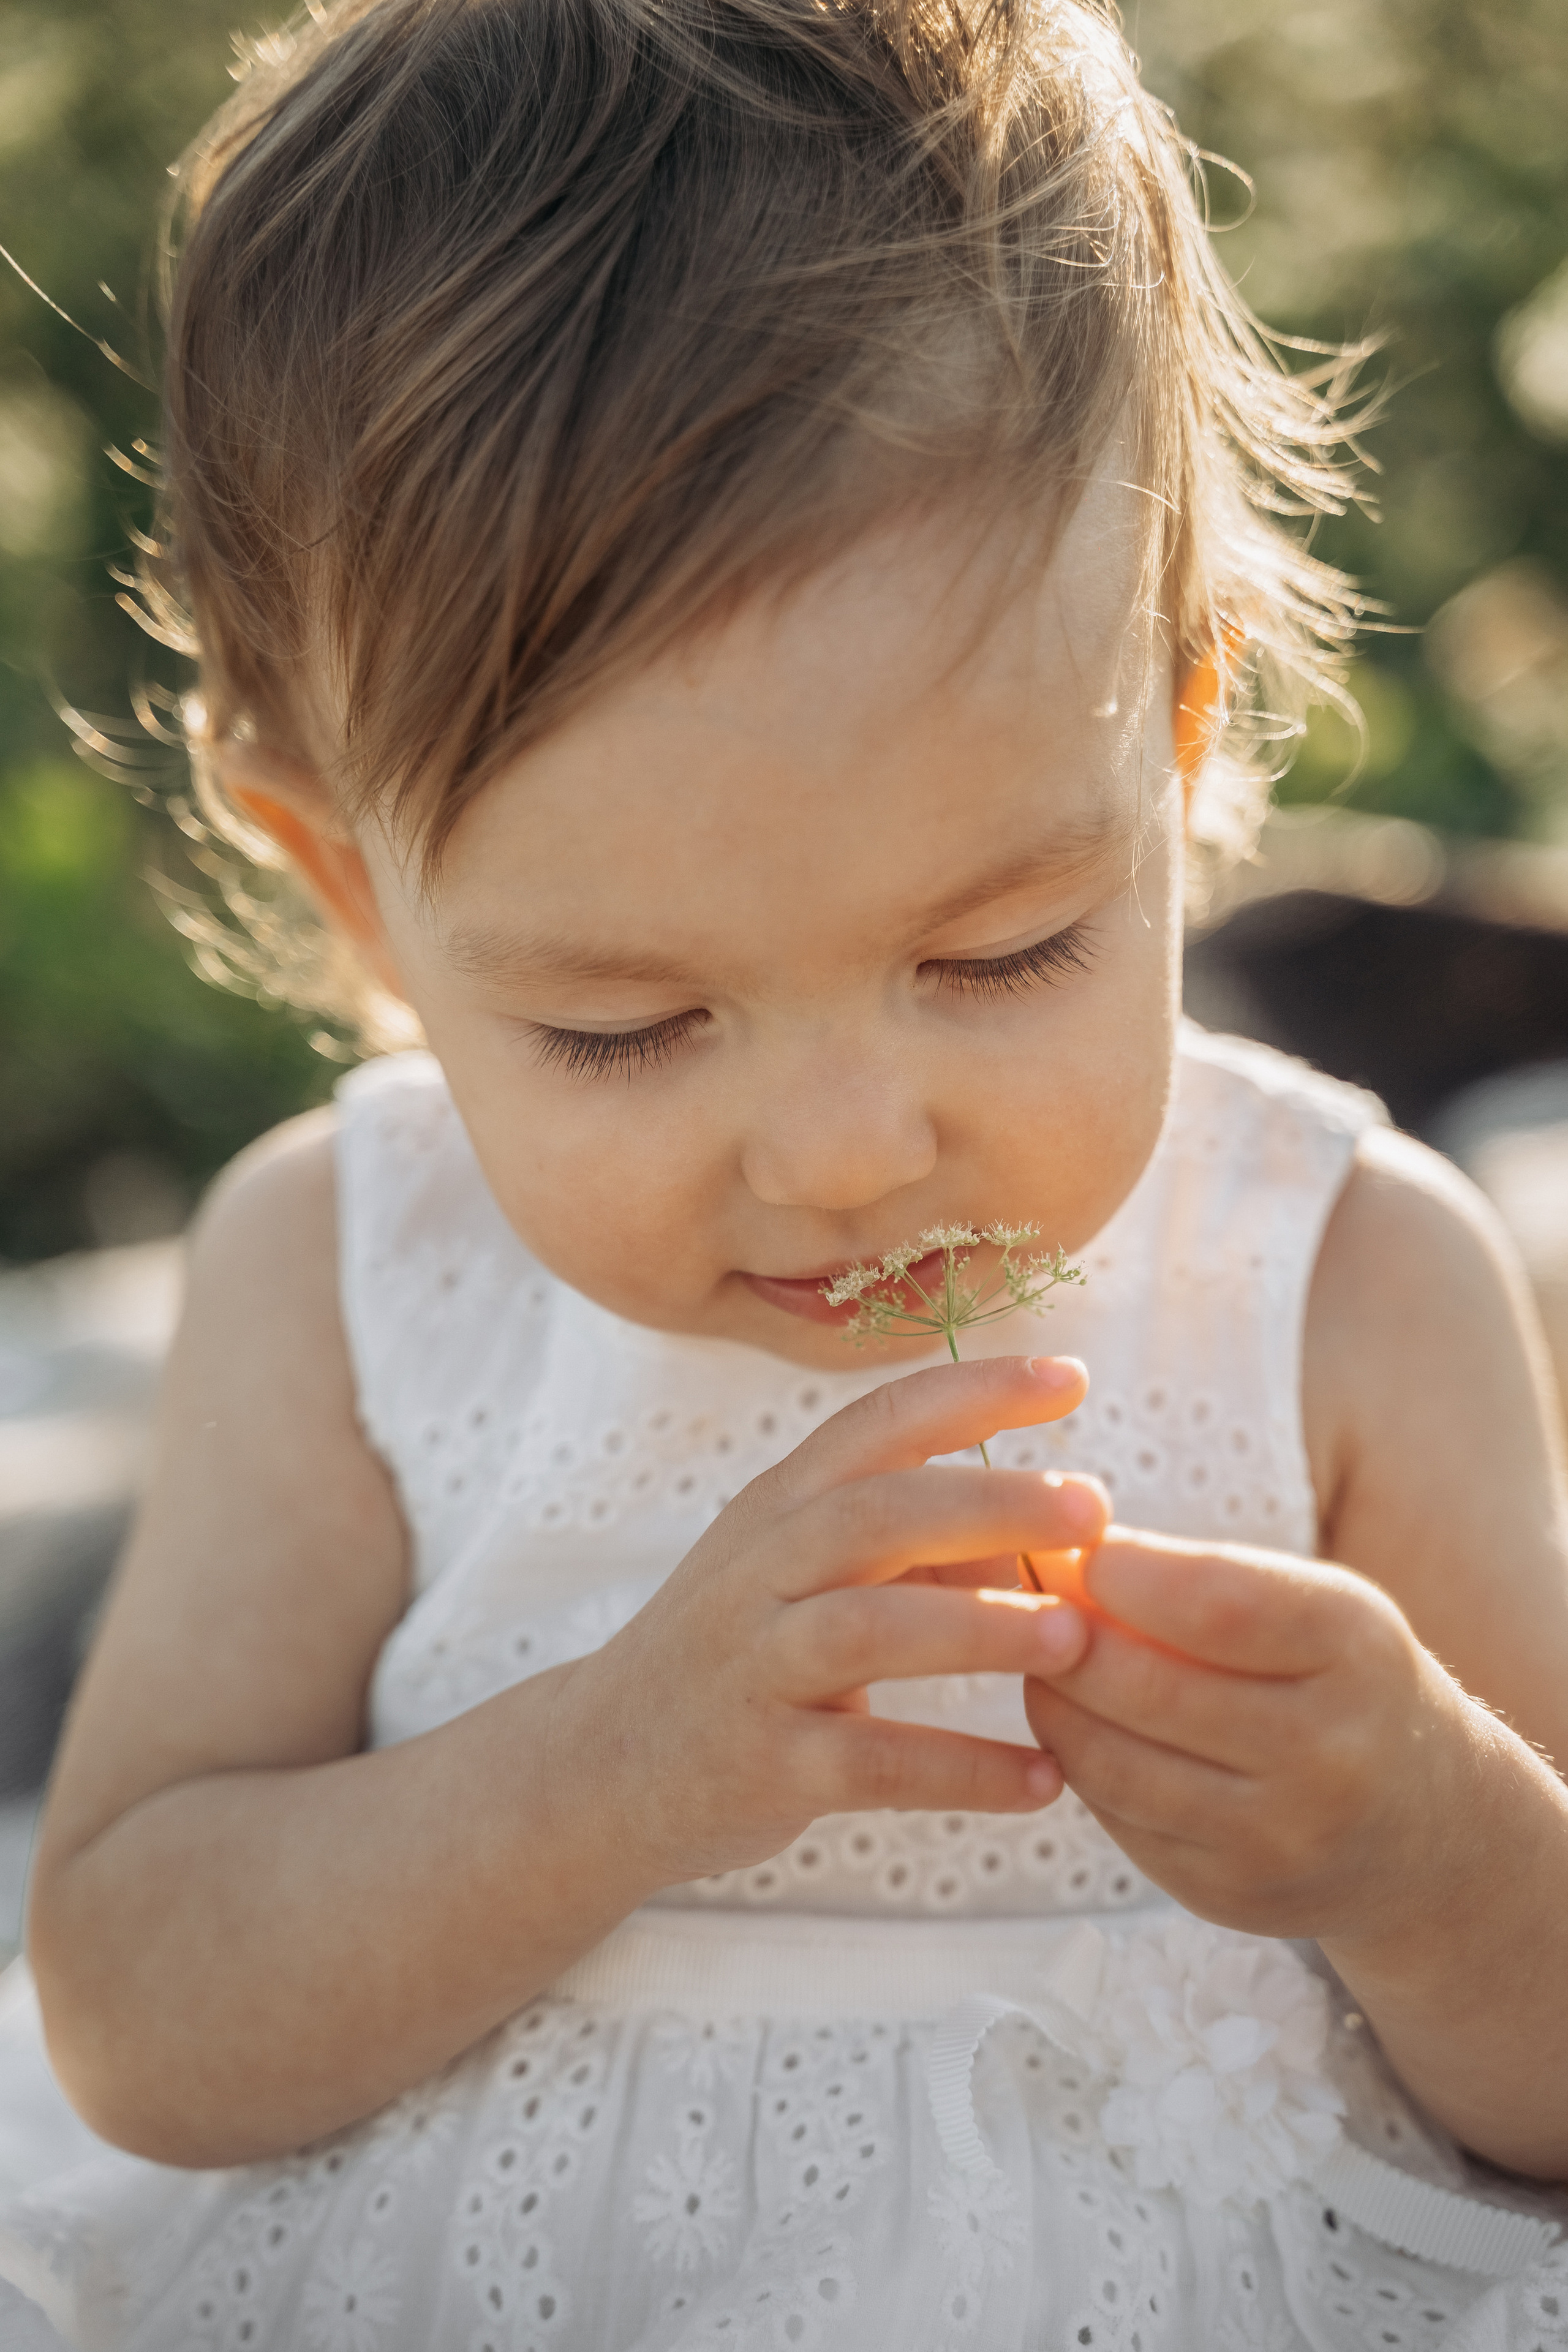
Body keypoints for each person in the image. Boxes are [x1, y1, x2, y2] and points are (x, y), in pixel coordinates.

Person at [2, 0, 1567, 2343]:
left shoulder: (1336, 1281)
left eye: (1000, 950)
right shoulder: (343, 1272)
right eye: (627, 1025)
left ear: (1179, 728)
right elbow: (139, 2015)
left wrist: (1430, 1850)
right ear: (351, 897)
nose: (851, 1152)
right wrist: (610, 1772)